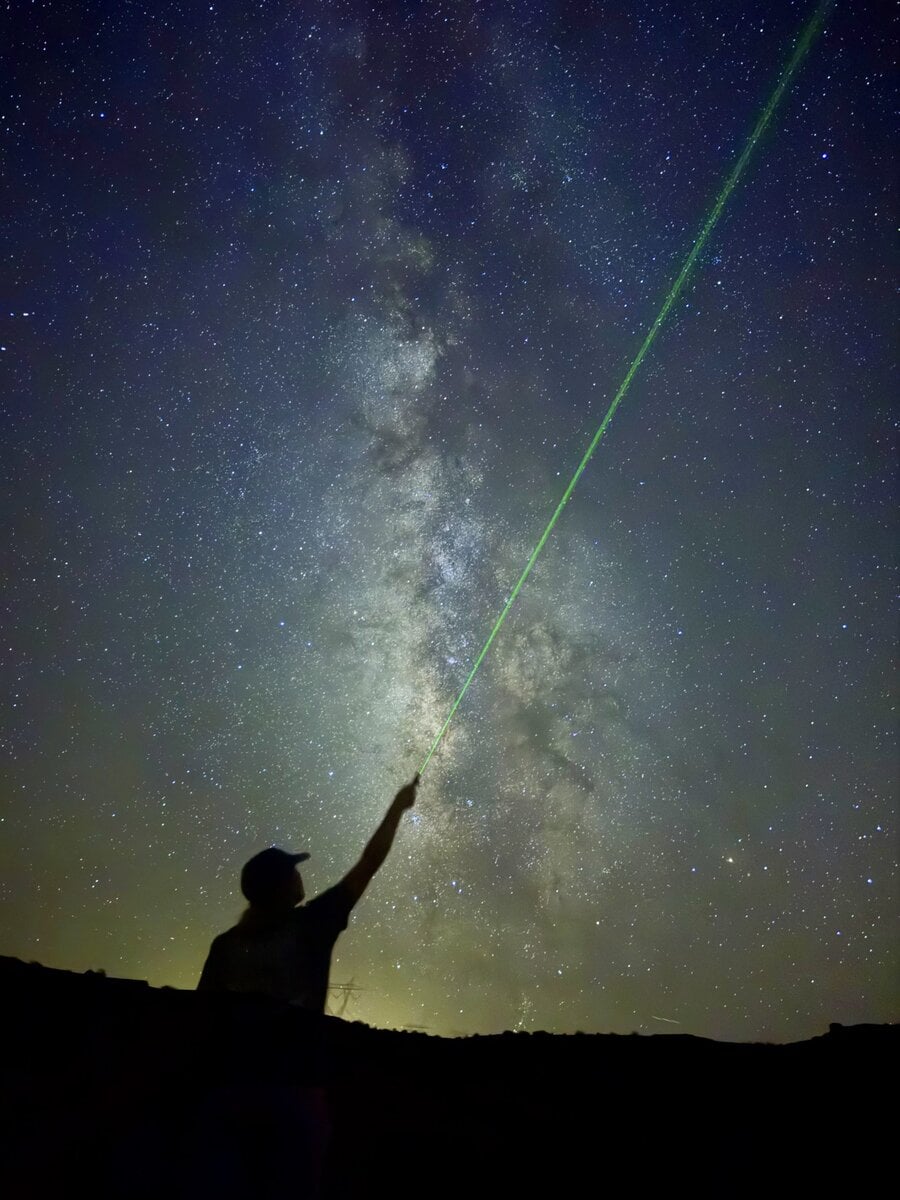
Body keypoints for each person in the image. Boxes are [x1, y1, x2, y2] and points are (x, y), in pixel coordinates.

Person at [197, 773, 419, 1009]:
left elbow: (201, 1013)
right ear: (283, 886)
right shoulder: (313, 925)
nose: (299, 875)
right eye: (293, 871)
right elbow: (369, 863)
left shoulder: (225, 946)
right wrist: (397, 807)